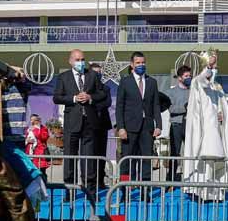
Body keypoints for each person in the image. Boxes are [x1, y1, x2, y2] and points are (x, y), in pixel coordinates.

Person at [52, 48, 109, 193]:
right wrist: (73, 98)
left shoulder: (93, 75)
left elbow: (102, 93)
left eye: (82, 59)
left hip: (89, 122)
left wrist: (90, 98)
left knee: (88, 158)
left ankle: (89, 191)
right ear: (70, 61)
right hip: (72, 122)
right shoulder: (63, 77)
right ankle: (69, 190)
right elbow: (57, 97)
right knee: (70, 157)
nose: (80, 62)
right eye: (77, 60)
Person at [183, 50, 228, 198]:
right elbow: (203, 79)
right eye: (212, 67)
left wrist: (221, 113)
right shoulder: (197, 83)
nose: (214, 70)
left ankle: (215, 193)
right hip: (204, 130)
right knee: (204, 161)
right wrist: (209, 66)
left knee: (216, 162)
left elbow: (220, 103)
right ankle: (200, 192)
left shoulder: (217, 87)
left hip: (216, 130)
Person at [115, 51, 163, 182]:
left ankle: (145, 191)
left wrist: (158, 125)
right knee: (127, 162)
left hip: (147, 128)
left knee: (146, 161)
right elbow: (119, 107)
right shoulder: (125, 82)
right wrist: (121, 127)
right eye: (138, 63)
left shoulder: (152, 82)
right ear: (132, 64)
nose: (141, 65)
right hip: (129, 129)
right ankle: (125, 190)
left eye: (143, 62)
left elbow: (156, 105)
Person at [90, 60, 114, 189]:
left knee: (101, 153)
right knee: (90, 153)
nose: (97, 75)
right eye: (95, 73)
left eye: (99, 73)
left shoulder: (106, 88)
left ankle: (100, 180)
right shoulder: (87, 88)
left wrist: (94, 103)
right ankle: (91, 181)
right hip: (90, 124)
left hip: (102, 124)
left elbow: (108, 102)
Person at [165, 66, 192, 181]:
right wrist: (186, 107)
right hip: (176, 126)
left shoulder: (193, 91)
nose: (189, 78)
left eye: (190, 76)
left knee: (191, 153)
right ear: (180, 78)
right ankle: (170, 180)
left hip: (190, 126)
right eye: (186, 76)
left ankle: (191, 179)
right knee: (175, 154)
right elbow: (171, 109)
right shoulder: (171, 92)